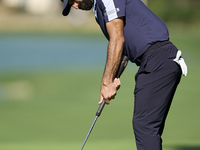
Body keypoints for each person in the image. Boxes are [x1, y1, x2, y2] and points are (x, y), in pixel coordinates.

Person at [60, 0, 187, 149]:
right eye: (70, 5)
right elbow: (123, 52)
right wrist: (111, 79)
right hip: (155, 61)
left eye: (73, 0)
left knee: (144, 125)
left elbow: (117, 39)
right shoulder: (99, 12)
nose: (75, 5)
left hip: (158, 58)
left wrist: (106, 82)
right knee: (148, 128)